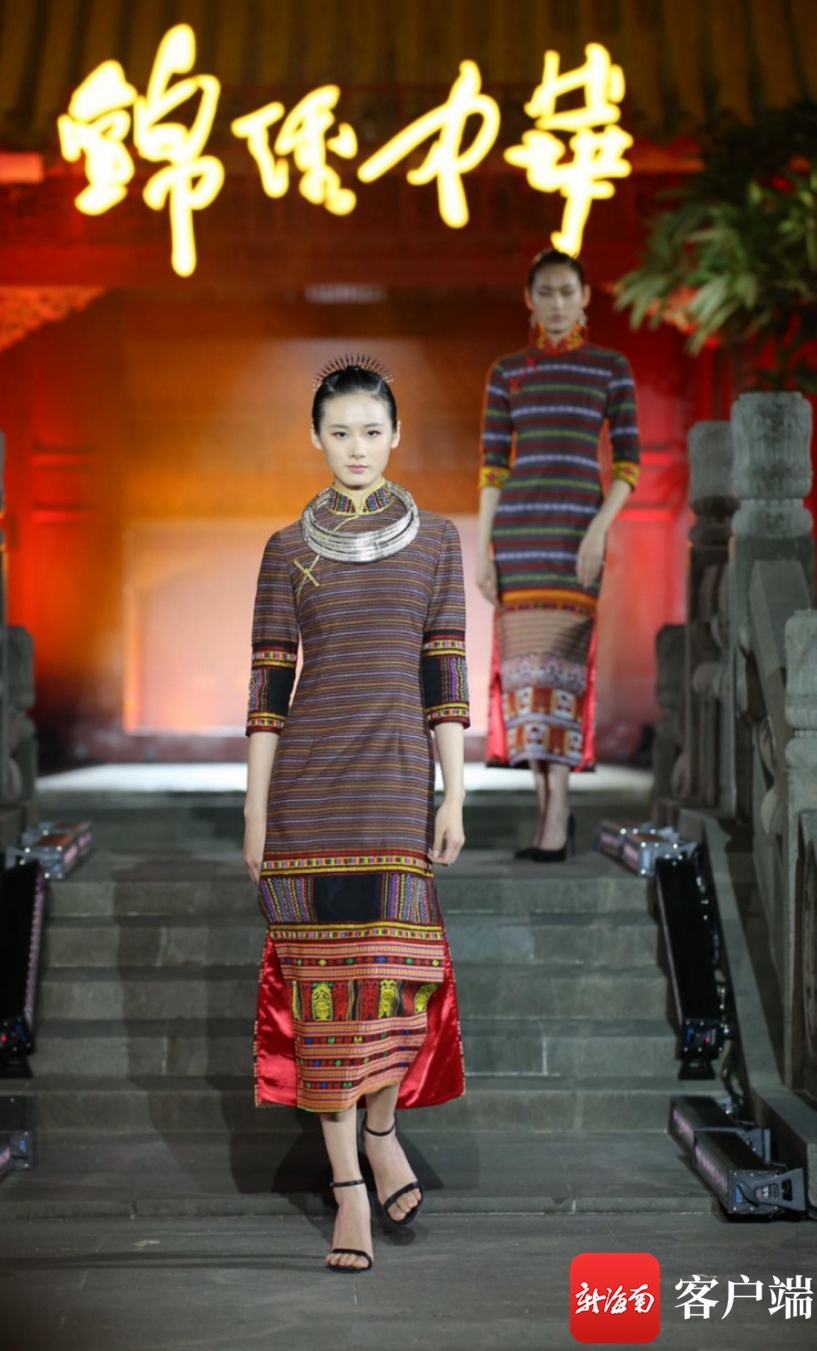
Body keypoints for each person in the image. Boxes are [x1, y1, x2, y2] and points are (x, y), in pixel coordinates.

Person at [243, 354, 470, 1274]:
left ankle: (381, 1133)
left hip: (397, 788)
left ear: (397, 433)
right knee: (325, 996)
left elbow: (444, 676)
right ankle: (347, 1187)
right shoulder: (285, 549)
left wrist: (456, 791)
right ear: (315, 437)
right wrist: (254, 809)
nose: (357, 447)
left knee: (398, 988)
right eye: (339, 432)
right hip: (310, 796)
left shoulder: (438, 541)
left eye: (372, 430)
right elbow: (267, 688)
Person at [475, 250, 641, 861]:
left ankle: (559, 811)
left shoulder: (609, 368)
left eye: (567, 291)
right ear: (530, 299)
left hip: (576, 540)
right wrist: (484, 549)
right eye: (545, 292)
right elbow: (493, 468)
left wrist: (599, 528)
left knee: (562, 671)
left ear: (585, 296)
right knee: (526, 679)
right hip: (519, 541)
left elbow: (628, 463)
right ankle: (549, 814)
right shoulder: (507, 373)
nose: (557, 303)